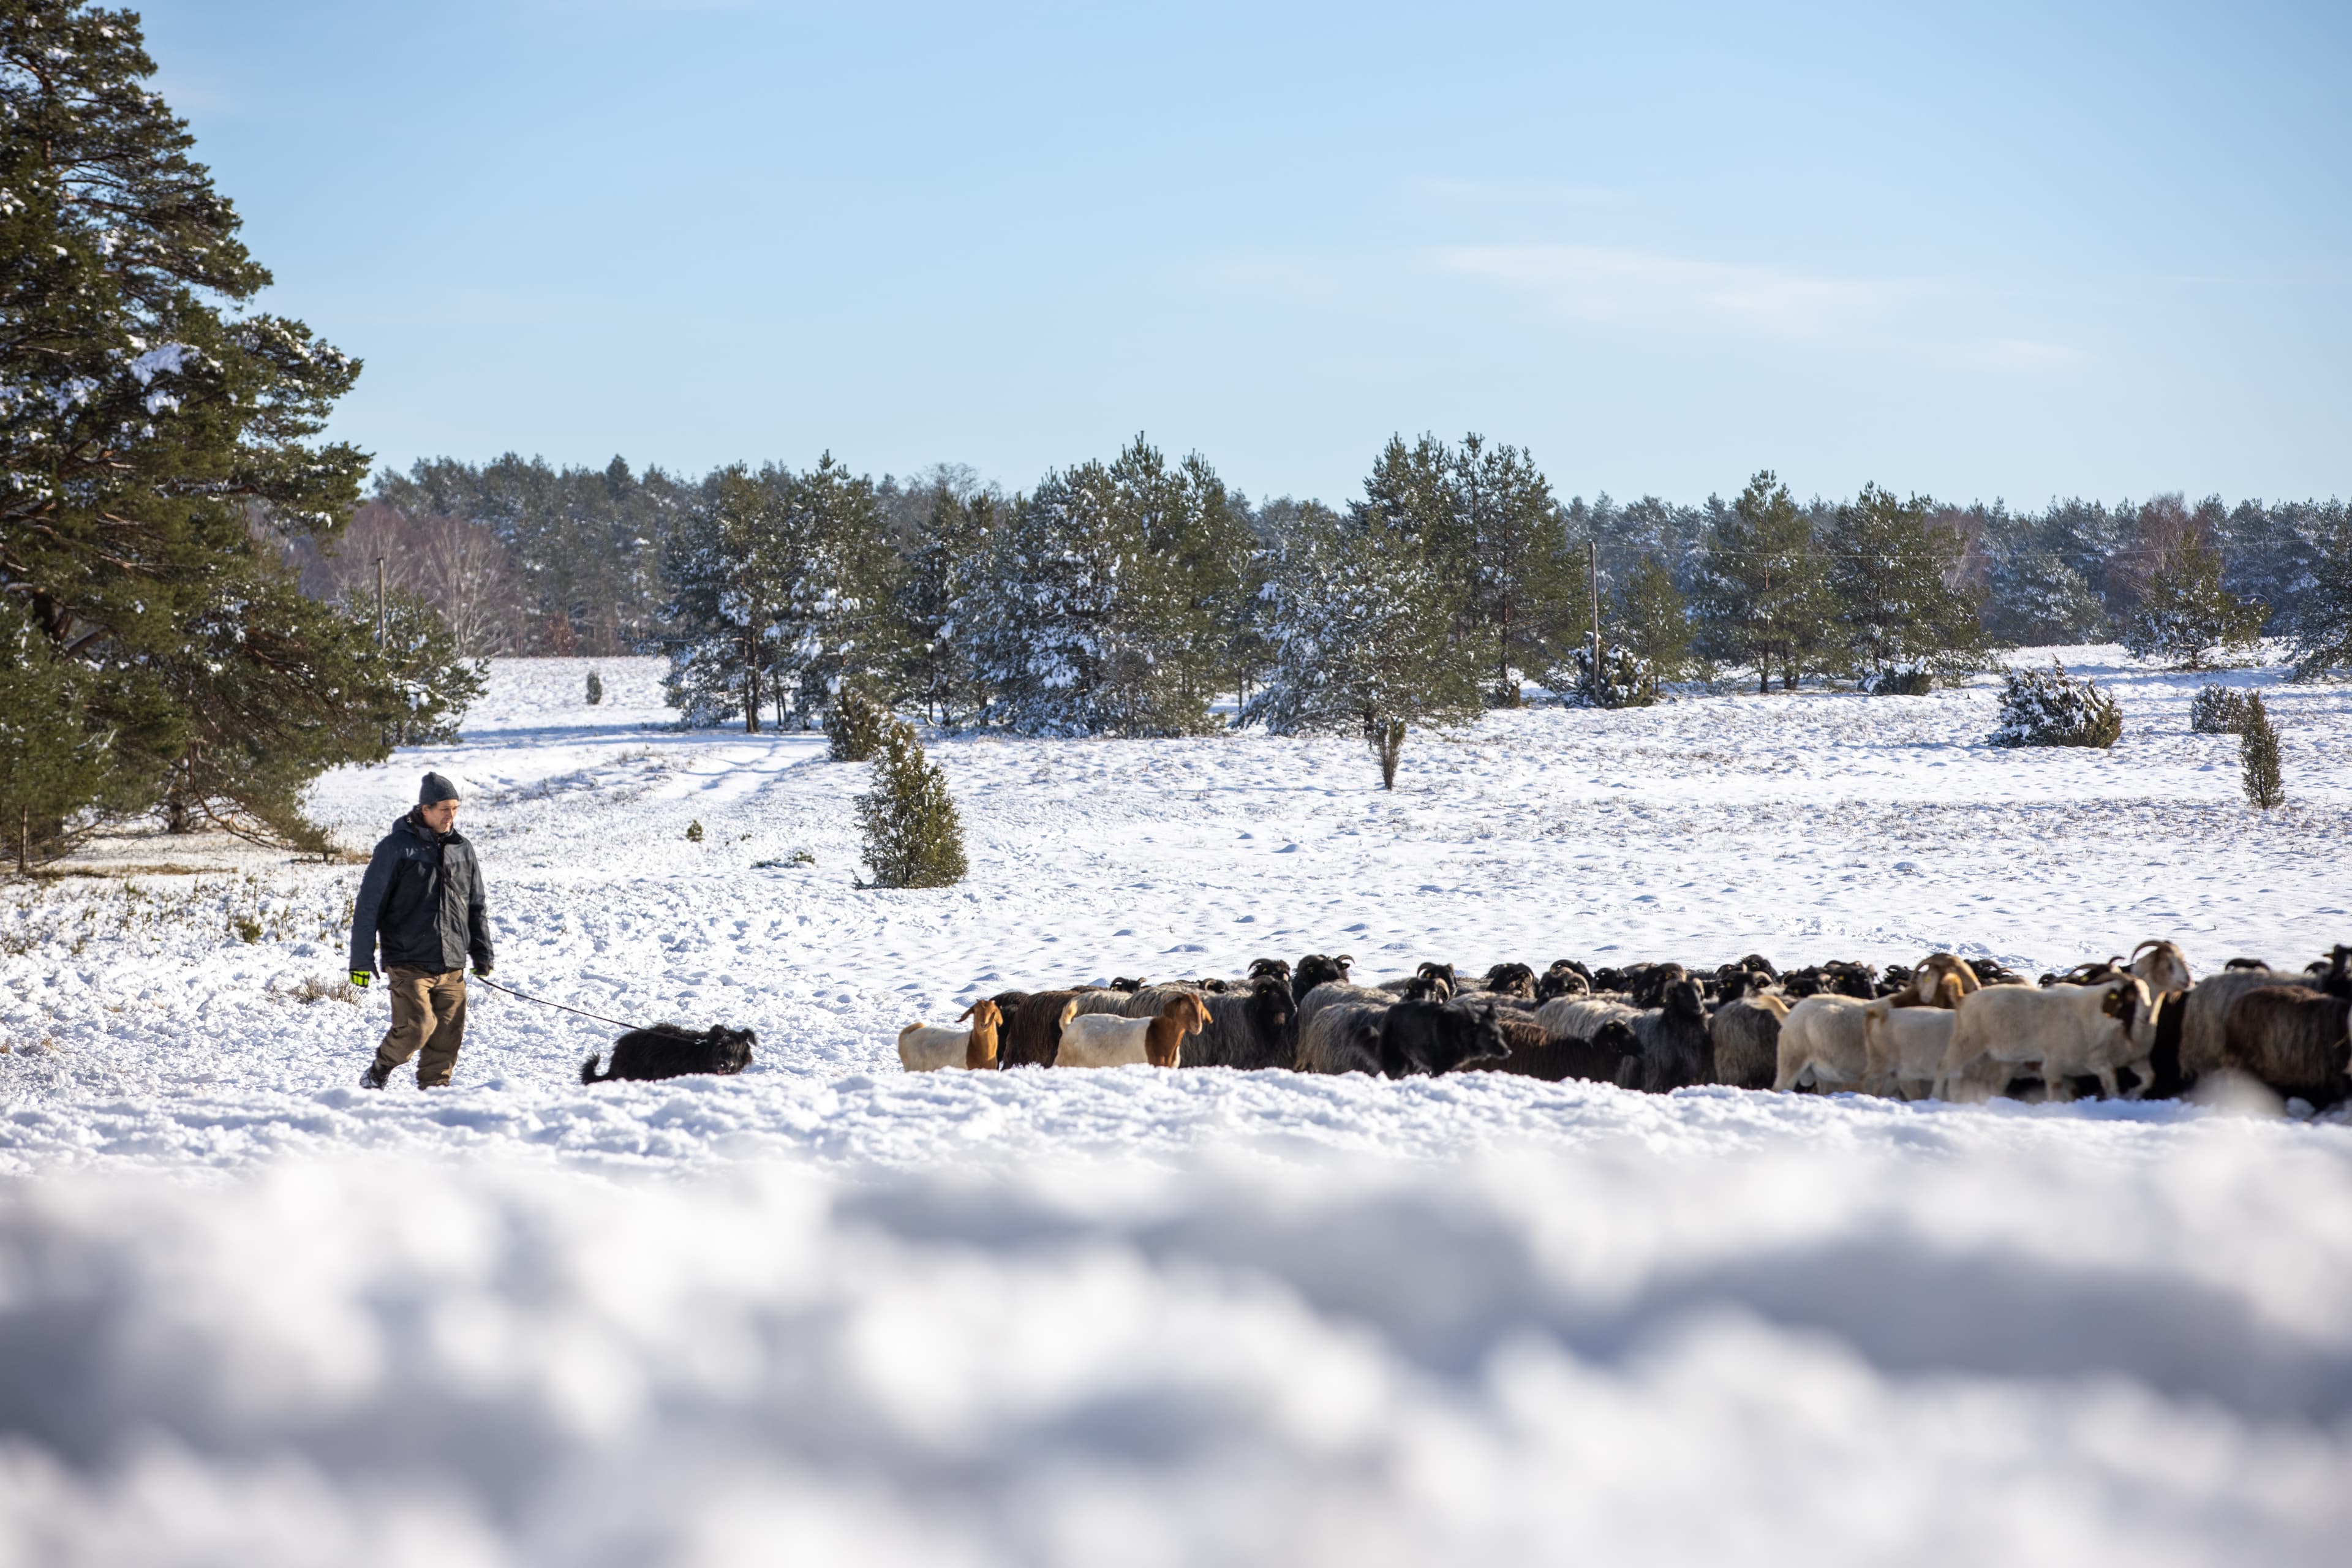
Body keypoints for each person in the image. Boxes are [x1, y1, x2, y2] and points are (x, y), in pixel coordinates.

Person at [348, 772, 495, 1089]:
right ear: (424, 809)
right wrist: (361, 960)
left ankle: (435, 1096)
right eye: (444, 808)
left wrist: (482, 952)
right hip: (409, 960)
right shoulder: (395, 848)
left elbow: (476, 905)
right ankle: (380, 1069)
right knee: (418, 1026)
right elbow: (368, 906)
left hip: (451, 961)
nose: (450, 815)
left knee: (448, 1035)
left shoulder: (462, 848)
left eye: (455, 808)